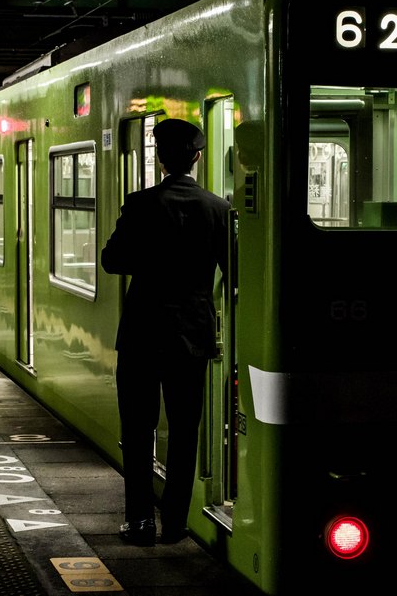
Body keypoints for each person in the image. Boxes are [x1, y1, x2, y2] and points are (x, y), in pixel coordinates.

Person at [101, 117, 231, 546]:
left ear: (159, 159)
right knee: (185, 429)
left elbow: (112, 261)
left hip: (141, 334)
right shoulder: (218, 209)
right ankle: (175, 521)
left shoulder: (140, 204)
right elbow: (233, 275)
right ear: (196, 157)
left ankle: (139, 521)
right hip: (192, 336)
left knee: (137, 430)